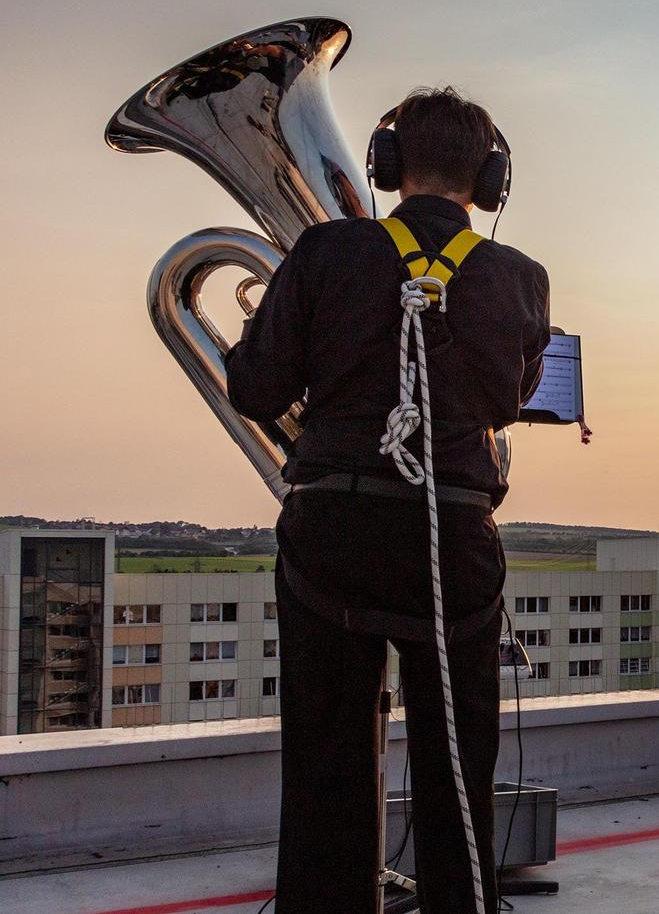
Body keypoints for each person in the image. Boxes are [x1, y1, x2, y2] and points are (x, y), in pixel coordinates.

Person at [226, 88, 550, 913]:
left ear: (387, 165)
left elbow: (256, 386)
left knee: (328, 766)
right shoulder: (519, 276)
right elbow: (509, 403)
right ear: (489, 180)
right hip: (453, 542)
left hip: (332, 534)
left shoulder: (325, 252)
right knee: (459, 763)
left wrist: (266, 327)